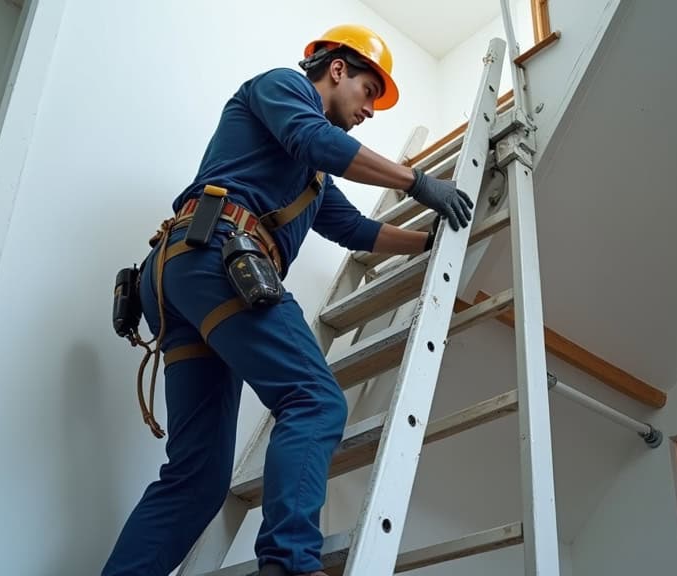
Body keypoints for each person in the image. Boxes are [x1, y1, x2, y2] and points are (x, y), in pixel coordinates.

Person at [103, 24, 472, 576]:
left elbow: (353, 229)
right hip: (214, 256)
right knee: (315, 400)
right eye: (370, 91)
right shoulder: (282, 88)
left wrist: (432, 241)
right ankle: (291, 565)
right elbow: (316, 140)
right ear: (338, 68)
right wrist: (417, 182)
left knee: (198, 479)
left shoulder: (312, 176)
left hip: (189, 281)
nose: (371, 109)